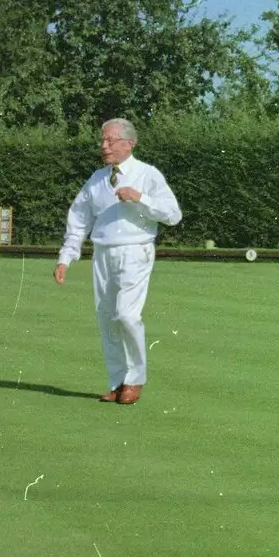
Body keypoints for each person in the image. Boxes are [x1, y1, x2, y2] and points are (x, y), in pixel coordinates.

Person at [52, 118, 183, 406]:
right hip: (103, 253)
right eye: (102, 140)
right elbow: (79, 219)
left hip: (136, 251)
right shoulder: (97, 179)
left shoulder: (147, 175)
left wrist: (140, 198)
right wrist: (66, 257)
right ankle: (117, 381)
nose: (104, 146)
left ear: (129, 143)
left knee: (126, 314)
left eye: (110, 140)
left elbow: (173, 214)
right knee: (107, 320)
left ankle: (135, 379)